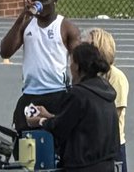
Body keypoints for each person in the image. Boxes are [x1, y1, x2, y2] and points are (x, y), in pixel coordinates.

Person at [0, 0, 82, 133]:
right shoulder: (26, 25)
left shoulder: (66, 27)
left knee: (56, 140)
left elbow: (79, 62)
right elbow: (5, 52)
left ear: (54, 0)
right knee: (26, 141)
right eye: (34, 0)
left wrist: (76, 92)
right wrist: (20, 19)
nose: (39, 4)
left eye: (43, 0)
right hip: (30, 94)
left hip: (57, 93)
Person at [26, 42, 119, 172]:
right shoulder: (105, 91)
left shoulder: (78, 94)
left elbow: (60, 128)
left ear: (77, 66)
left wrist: (40, 121)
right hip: (107, 165)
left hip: (82, 166)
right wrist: (50, 116)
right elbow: (83, 121)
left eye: (71, 62)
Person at [85, 29, 129, 172]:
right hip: (91, 146)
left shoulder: (116, 77)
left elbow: (114, 114)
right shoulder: (86, 76)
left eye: (89, 45)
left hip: (111, 147)